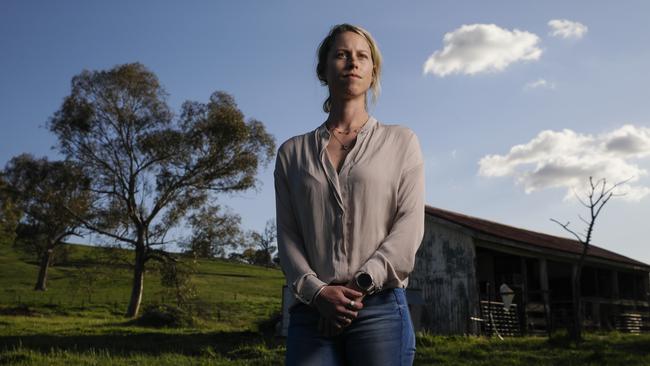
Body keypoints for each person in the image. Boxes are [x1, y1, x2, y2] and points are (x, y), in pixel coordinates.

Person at [274, 23, 425, 366]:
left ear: (373, 72)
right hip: (311, 313)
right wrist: (320, 293)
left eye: (362, 56)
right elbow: (288, 236)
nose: (352, 63)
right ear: (324, 69)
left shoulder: (401, 142)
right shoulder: (291, 154)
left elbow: (409, 226)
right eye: (341, 54)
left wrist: (356, 289)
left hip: (381, 309)